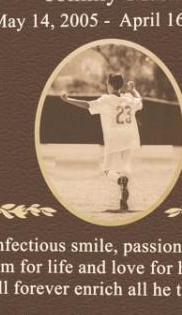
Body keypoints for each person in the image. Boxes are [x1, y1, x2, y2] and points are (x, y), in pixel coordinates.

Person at [61, 71, 143, 212]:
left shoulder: (106, 100)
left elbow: (87, 105)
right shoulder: (129, 98)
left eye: (107, 83)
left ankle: (119, 181)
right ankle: (123, 201)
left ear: (110, 85)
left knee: (107, 170)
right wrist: (133, 89)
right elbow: (140, 101)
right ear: (121, 85)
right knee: (124, 170)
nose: (107, 85)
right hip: (130, 138)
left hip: (115, 139)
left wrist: (68, 99)